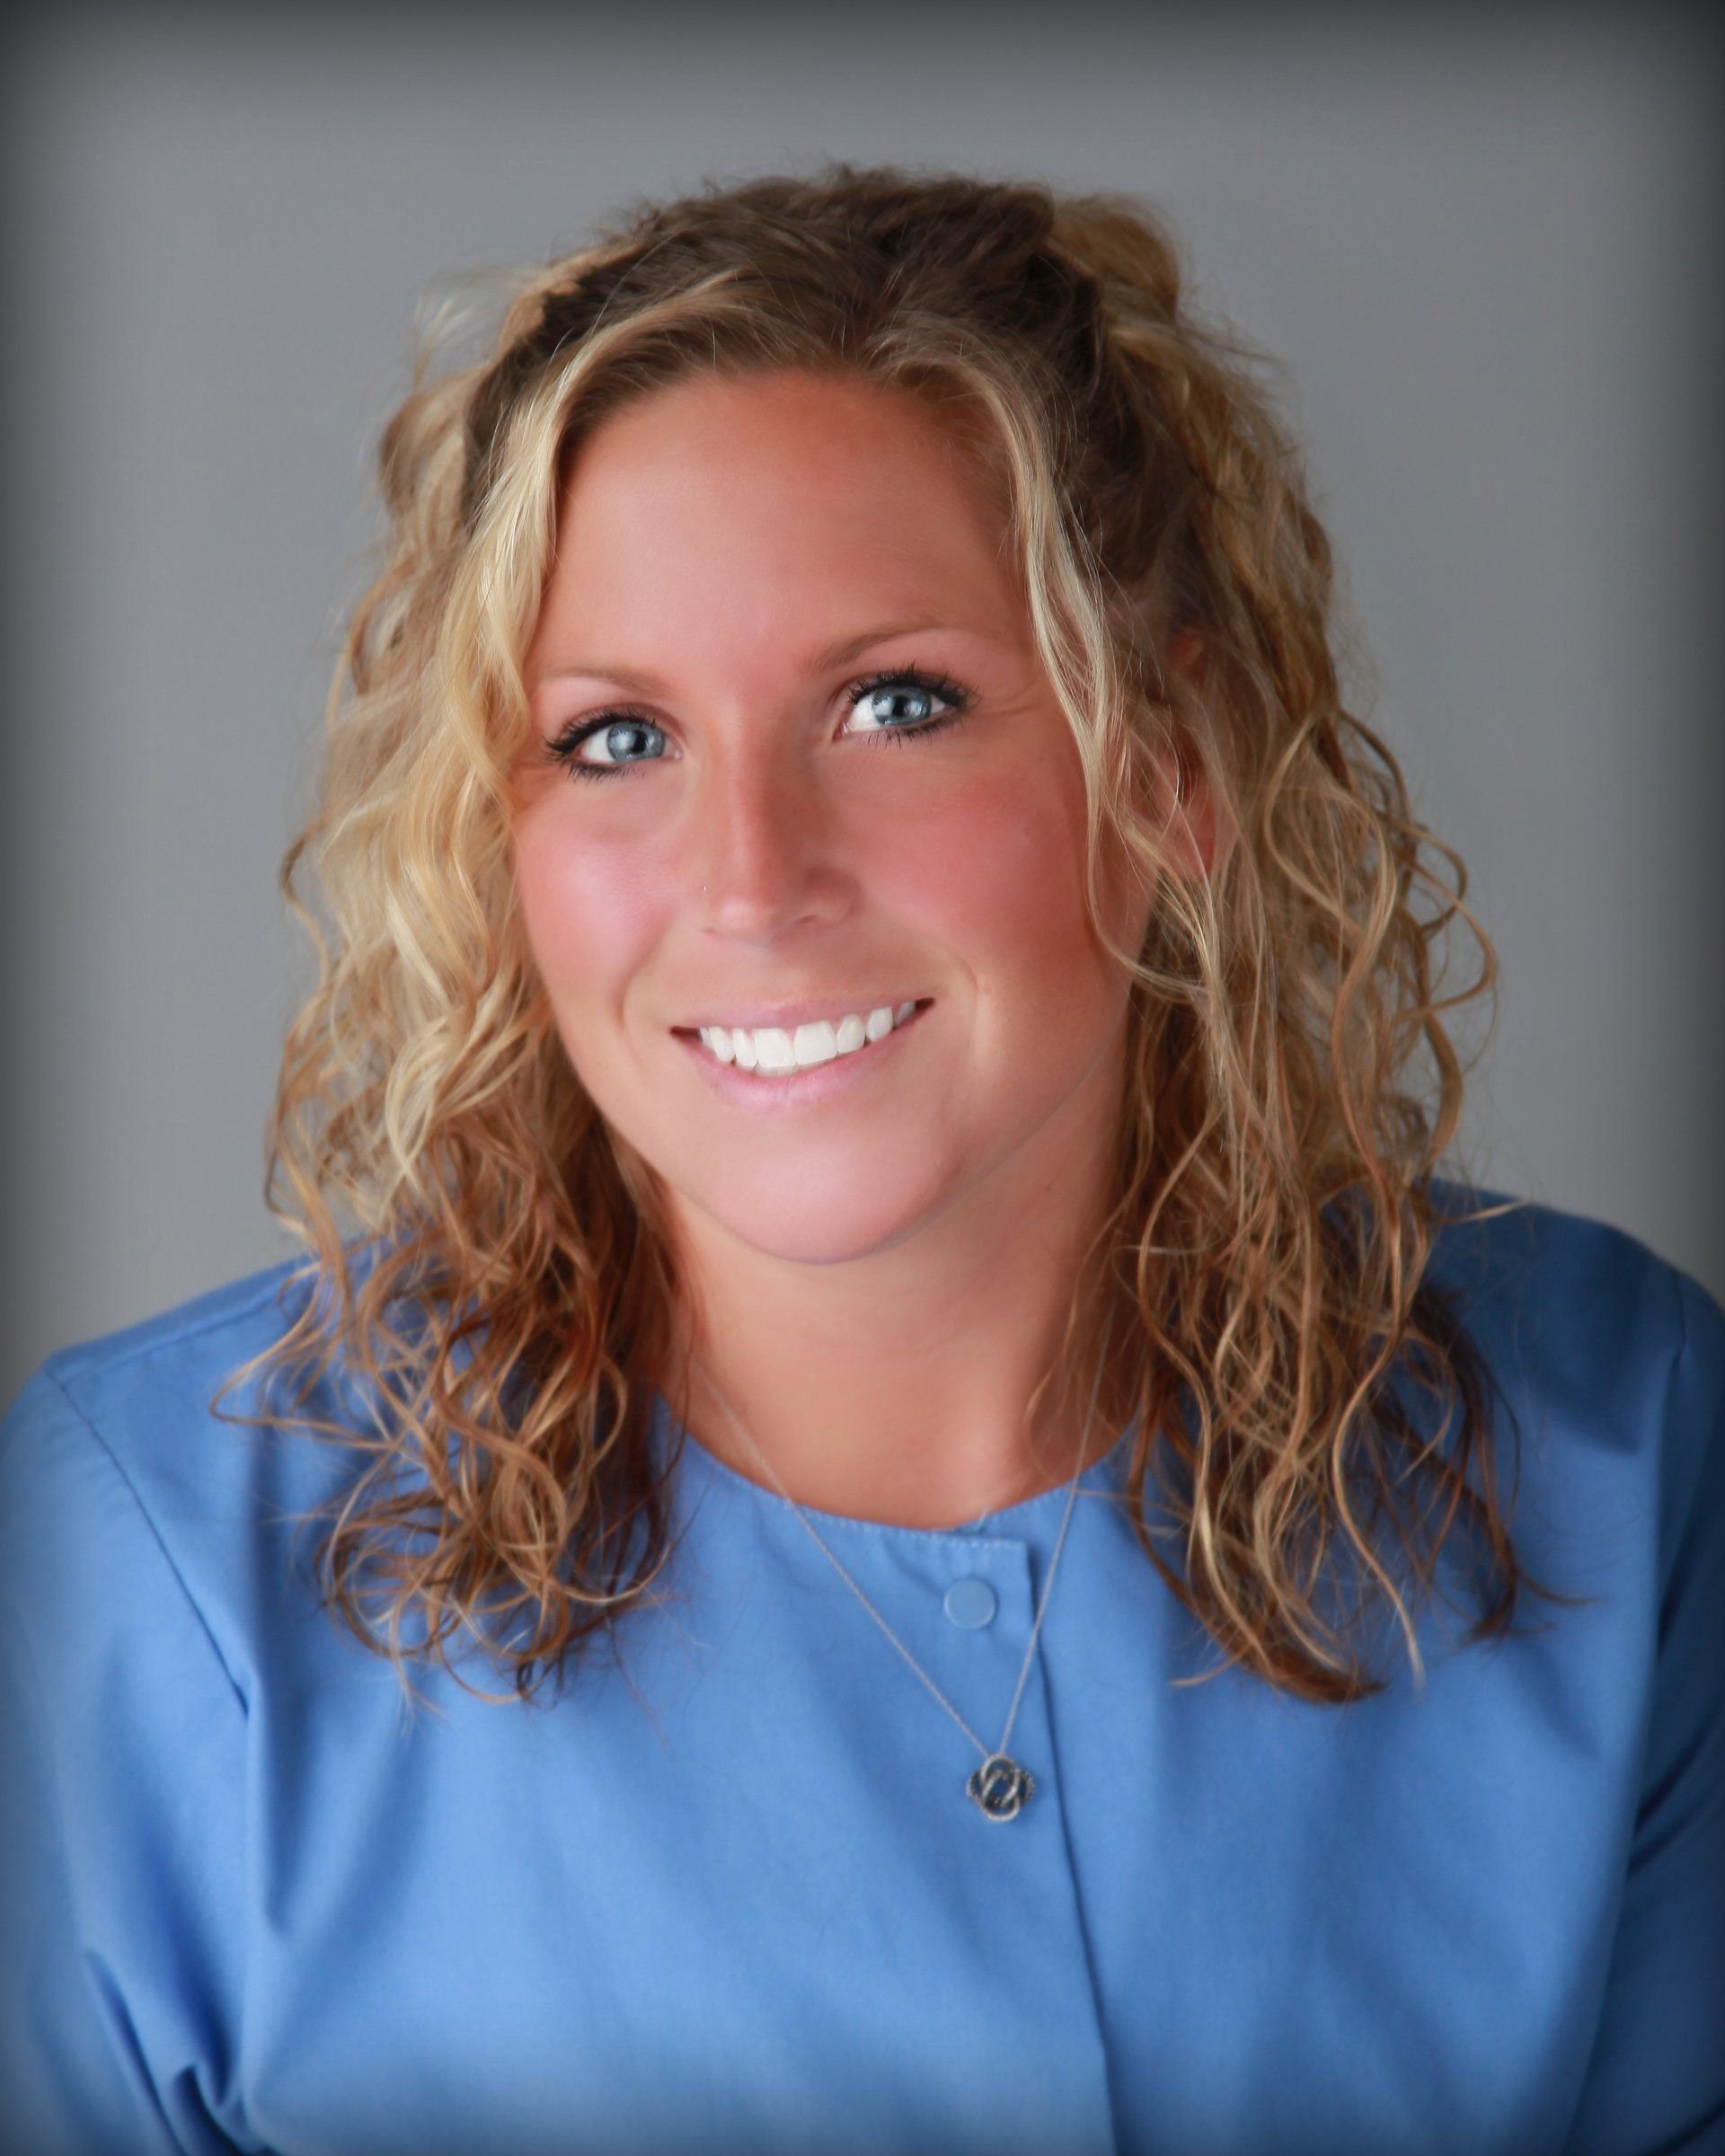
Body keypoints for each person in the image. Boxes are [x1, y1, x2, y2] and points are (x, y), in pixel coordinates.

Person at [0, 162, 1718, 2156]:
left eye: (895, 705)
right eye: (618, 739)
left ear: (1166, 763)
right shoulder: (142, 1573)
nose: (751, 879)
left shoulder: (1618, 1442)